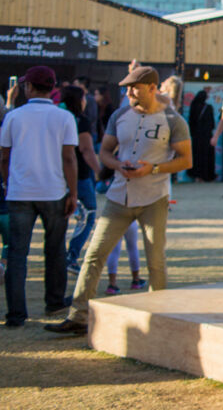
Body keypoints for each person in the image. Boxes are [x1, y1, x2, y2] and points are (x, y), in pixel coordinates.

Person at [46, 66, 192, 336]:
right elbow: (104, 152)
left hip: (154, 198)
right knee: (94, 255)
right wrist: (117, 165)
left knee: (155, 260)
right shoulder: (120, 115)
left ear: (152, 88)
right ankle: (79, 316)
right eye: (127, 88)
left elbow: (186, 160)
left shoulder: (173, 120)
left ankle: (158, 319)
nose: (128, 93)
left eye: (134, 88)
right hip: (118, 196)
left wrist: (153, 168)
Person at [0, 66, 77, 328]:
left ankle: (16, 314)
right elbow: (69, 158)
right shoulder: (64, 117)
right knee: (55, 249)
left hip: (20, 192)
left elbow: (4, 156)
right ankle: (54, 301)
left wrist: (8, 183)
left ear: (29, 87)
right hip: (54, 191)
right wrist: (73, 192)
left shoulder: (14, 116)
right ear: (52, 88)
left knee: (17, 254)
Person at [61, 86, 103, 271]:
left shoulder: (57, 117)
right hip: (80, 175)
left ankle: (58, 257)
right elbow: (86, 150)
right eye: (84, 97)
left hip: (57, 175)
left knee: (60, 217)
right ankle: (71, 256)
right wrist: (99, 171)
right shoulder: (80, 120)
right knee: (89, 214)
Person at [186, 88, 217, 182]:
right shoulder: (208, 108)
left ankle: (196, 175)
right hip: (206, 136)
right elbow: (212, 124)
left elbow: (191, 122)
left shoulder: (193, 106)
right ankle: (206, 176)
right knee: (206, 157)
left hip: (196, 137)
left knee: (196, 157)